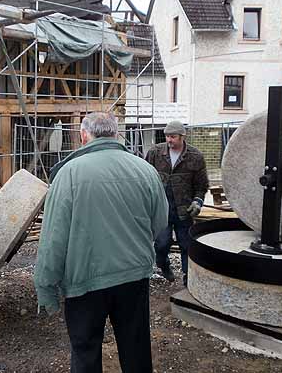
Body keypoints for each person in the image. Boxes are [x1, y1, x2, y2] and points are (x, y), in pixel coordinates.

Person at [34, 112, 168, 373]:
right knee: (136, 346)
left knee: (85, 351)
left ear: (84, 136)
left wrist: (45, 286)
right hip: (133, 277)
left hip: (85, 282)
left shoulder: (69, 173)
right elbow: (160, 222)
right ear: (116, 133)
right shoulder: (145, 169)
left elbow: (53, 239)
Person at [145, 120, 209, 286]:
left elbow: (202, 186)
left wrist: (197, 202)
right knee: (161, 243)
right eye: (167, 136)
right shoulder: (155, 153)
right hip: (161, 209)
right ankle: (164, 265)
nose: (169, 140)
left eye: (173, 137)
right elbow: (144, 177)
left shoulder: (195, 157)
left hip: (184, 210)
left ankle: (189, 277)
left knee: (187, 245)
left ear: (182, 136)